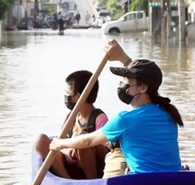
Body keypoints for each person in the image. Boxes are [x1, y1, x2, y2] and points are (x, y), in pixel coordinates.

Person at [50, 40, 184, 175]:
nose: (121, 84)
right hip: (173, 182)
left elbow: (89, 140)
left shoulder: (125, 120)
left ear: (143, 88)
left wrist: (60, 143)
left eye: (126, 81)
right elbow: (148, 81)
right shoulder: (168, 113)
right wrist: (123, 58)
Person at [35, 70, 109, 179]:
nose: (66, 96)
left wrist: (77, 144)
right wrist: (70, 148)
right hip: (72, 164)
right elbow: (59, 143)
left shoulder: (99, 118)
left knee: (82, 141)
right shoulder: (71, 117)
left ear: (79, 96)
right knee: (40, 140)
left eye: (68, 92)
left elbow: (107, 150)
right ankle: (67, 180)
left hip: (94, 168)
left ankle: (91, 184)